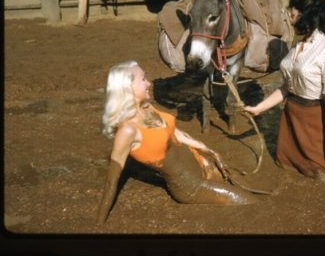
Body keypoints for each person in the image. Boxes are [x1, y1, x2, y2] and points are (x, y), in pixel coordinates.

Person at [97, 60, 258, 224]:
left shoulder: (145, 107)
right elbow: (112, 181)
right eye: (143, 79)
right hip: (192, 186)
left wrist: (207, 150)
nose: (150, 83)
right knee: (250, 203)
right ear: (128, 88)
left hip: (200, 161)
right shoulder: (128, 131)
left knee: (246, 184)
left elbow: (172, 131)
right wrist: (99, 223)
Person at [244, 0, 325, 181]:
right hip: (290, 118)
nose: (289, 18)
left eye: (293, 14)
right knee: (287, 166)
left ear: (307, 16)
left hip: (314, 119)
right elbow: (287, 87)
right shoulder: (297, 47)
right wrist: (258, 109)